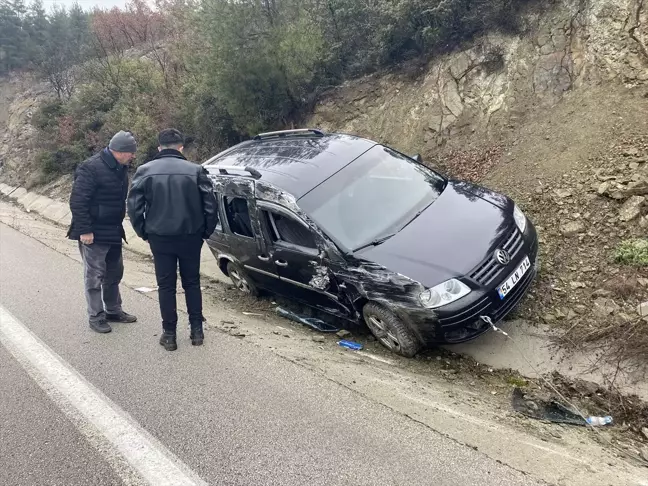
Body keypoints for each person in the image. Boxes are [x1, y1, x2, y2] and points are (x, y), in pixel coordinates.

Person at [127, 128, 218, 351]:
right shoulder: (196, 170)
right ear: (181, 147)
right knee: (192, 282)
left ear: (159, 148)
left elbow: (134, 208)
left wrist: (143, 232)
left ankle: (169, 335)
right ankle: (197, 331)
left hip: (160, 237)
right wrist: (205, 231)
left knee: (165, 286)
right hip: (191, 235)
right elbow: (210, 205)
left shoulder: (144, 171)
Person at [68, 130, 138, 334]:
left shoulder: (120, 167)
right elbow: (78, 201)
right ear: (119, 151)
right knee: (94, 276)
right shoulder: (90, 167)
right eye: (131, 153)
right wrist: (85, 230)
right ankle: (96, 316)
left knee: (115, 273)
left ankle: (114, 310)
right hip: (94, 233)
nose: (133, 156)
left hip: (114, 230)